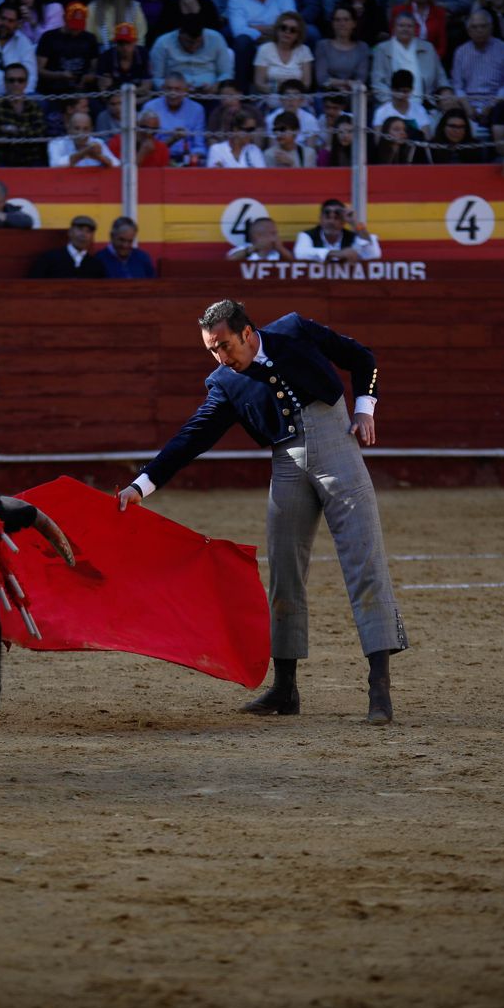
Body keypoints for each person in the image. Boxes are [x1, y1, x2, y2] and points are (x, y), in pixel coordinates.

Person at [118, 299, 405, 725]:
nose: (220, 356)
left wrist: (365, 409)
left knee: (365, 563)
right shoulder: (226, 382)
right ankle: (285, 689)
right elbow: (191, 437)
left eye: (224, 345)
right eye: (211, 349)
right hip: (286, 464)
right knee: (283, 574)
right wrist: (142, 484)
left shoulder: (294, 330)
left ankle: (379, 689)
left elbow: (362, 357)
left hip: (337, 447)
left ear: (247, 334)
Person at [226, 0, 298, 89]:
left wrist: (254, 27)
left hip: (280, 39)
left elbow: (292, 22)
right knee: (242, 42)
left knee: (307, 33)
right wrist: (273, 29)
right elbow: (238, 31)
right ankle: (242, 95)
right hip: (252, 42)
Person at [370, 11, 446, 104]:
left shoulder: (428, 47)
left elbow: (440, 76)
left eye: (409, 26)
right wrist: (391, 102)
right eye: (401, 26)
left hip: (424, 103)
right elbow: (377, 82)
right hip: (391, 103)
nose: (405, 29)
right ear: (394, 28)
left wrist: (446, 90)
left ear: (415, 29)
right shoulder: (382, 49)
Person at [450, 9, 504, 117]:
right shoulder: (460, 52)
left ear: (491, 28)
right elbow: (457, 86)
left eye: (483, 26)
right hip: (467, 105)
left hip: (497, 104)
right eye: (474, 27)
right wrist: (468, 108)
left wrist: (491, 106)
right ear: (468, 31)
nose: (479, 30)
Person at [0, 61, 47, 166]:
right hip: (2, 161)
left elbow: (39, 134)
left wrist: (11, 129)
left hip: (30, 162)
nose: (16, 84)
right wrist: (24, 132)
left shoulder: (34, 106)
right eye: (11, 80)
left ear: (26, 83)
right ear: (5, 82)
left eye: (20, 80)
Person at [147, 15, 231, 94]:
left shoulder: (216, 39)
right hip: (174, 96)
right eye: (189, 42)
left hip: (211, 95)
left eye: (198, 42)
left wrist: (217, 85)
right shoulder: (163, 43)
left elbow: (226, 73)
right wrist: (174, 88)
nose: (194, 47)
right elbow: (156, 78)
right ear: (180, 34)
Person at [141, 70, 205, 165]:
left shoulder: (197, 109)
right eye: (169, 89)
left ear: (185, 90)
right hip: (157, 158)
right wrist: (172, 139)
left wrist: (192, 157)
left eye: (177, 89)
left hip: (187, 159)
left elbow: (199, 145)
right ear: (162, 89)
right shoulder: (150, 107)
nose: (173, 93)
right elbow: (147, 145)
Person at [36, 1, 99, 96]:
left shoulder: (90, 39)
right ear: (64, 18)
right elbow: (39, 70)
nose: (76, 30)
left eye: (79, 26)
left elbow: (95, 69)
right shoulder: (49, 38)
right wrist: (59, 75)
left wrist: (87, 78)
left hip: (83, 92)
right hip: (53, 92)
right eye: (73, 25)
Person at [252, 8, 312, 104]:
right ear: (277, 29)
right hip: (272, 98)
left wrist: (292, 95)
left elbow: (306, 83)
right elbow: (259, 83)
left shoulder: (304, 50)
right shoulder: (265, 49)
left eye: (293, 30)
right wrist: (280, 90)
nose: (287, 32)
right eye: (284, 28)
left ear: (298, 34)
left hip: (297, 100)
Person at [295, 198, 380, 261]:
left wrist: (355, 222)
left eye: (337, 217)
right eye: (327, 216)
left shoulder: (352, 237)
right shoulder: (308, 235)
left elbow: (373, 254)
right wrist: (337, 254)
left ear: (344, 221)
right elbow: (300, 254)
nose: (331, 221)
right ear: (320, 219)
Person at [29, 214, 107, 278]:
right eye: (80, 229)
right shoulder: (49, 259)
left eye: (88, 231)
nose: (84, 235)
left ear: (92, 237)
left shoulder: (96, 264)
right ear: (70, 232)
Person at [315, 5, 369, 95]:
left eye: (346, 20)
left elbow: (361, 79)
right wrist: (347, 83)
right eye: (337, 20)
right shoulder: (323, 46)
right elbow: (322, 79)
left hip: (353, 94)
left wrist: (341, 85)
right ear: (332, 23)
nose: (342, 23)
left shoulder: (362, 47)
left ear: (354, 23)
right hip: (328, 94)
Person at [48, 108, 119, 167]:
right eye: (77, 128)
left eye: (85, 129)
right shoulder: (56, 143)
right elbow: (55, 164)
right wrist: (84, 153)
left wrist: (99, 157)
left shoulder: (97, 143)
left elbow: (117, 164)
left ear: (91, 130)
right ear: (69, 128)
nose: (81, 133)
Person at [95, 19, 149, 95]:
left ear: (135, 42)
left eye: (128, 43)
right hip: (114, 102)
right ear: (116, 43)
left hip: (138, 99)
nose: (124, 47)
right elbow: (103, 90)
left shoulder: (143, 54)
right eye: (121, 43)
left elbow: (146, 87)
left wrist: (129, 100)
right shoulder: (106, 57)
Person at [372, 67, 432, 135]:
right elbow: (378, 140)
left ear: (411, 90)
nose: (400, 95)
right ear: (391, 89)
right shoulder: (381, 112)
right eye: (397, 91)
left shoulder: (419, 110)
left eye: (405, 91)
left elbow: (426, 136)